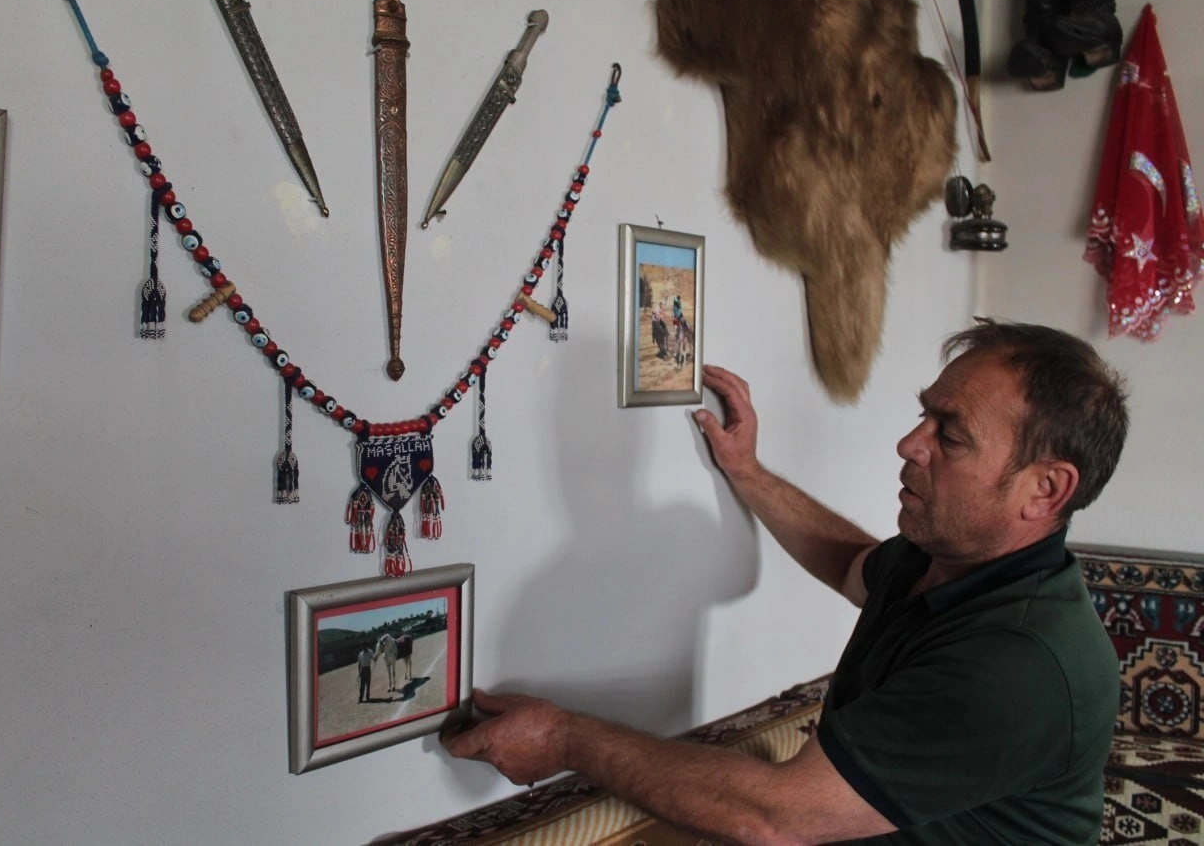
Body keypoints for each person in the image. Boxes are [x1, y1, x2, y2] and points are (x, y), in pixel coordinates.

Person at [442, 319, 1129, 844]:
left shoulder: (1018, 661)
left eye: (949, 436)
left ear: (1045, 489)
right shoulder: (947, 562)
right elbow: (851, 562)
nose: (909, 444)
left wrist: (565, 740)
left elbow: (780, 817)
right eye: (924, 414)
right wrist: (748, 472)